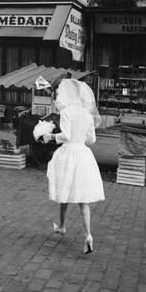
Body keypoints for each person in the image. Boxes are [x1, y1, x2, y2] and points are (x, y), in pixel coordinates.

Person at [45, 78, 105, 254]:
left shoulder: (66, 113)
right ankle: (87, 235)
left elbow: (66, 135)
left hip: (68, 155)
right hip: (83, 155)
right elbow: (92, 140)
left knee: (65, 191)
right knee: (82, 199)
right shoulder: (87, 114)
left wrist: (51, 137)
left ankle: (62, 226)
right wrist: (81, 138)